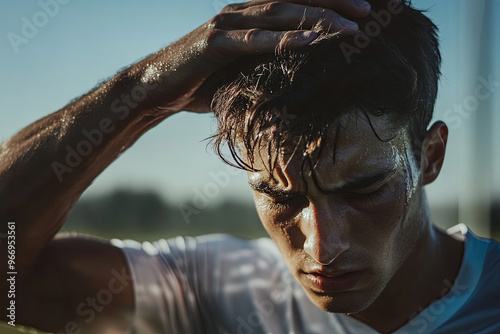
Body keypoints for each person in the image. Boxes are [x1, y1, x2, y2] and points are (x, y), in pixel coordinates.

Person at [1, 0, 499, 333]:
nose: (325, 247)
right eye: (282, 196)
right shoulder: (219, 289)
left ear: (429, 155)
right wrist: (144, 91)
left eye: (365, 189)